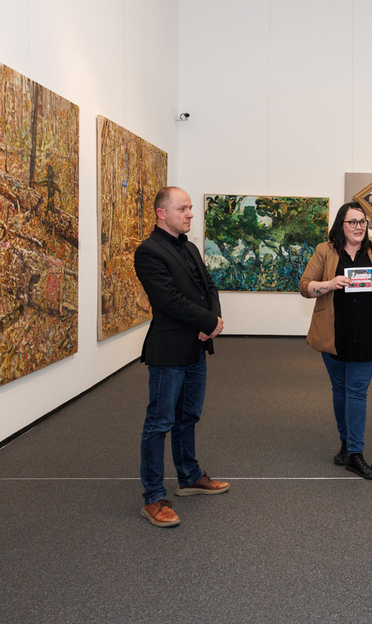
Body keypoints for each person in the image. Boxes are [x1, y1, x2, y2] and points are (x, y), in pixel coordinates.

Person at [134, 186, 228, 528]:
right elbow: (168, 299)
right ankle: (153, 498)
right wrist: (208, 322)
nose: (190, 214)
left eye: (190, 208)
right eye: (183, 209)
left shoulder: (188, 247)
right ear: (162, 213)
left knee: (188, 416)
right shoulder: (148, 251)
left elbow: (209, 287)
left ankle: (189, 476)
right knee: (159, 423)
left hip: (195, 347)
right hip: (169, 351)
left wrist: (212, 320)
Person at [299, 202, 372, 479]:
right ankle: (345, 443)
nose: (359, 227)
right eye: (353, 222)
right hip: (335, 333)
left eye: (362, 222)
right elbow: (305, 286)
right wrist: (329, 284)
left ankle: (355, 453)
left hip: (369, 334)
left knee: (356, 391)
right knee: (340, 390)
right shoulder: (325, 251)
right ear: (341, 225)